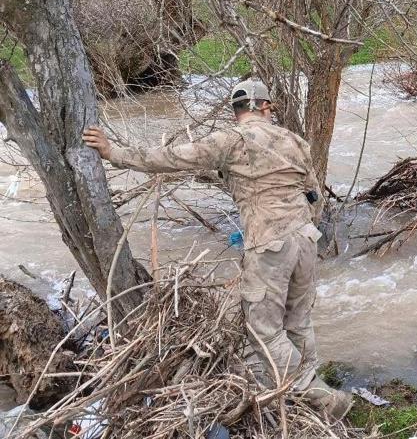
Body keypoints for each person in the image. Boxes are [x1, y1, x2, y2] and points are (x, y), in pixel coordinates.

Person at [82, 79, 353, 421]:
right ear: (266, 107)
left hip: (269, 242)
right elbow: (314, 194)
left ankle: (317, 396)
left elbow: (172, 158)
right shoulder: (295, 141)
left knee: (262, 328)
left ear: (237, 110)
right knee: (298, 320)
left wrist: (114, 153)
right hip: (306, 238)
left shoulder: (230, 140)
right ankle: (308, 388)